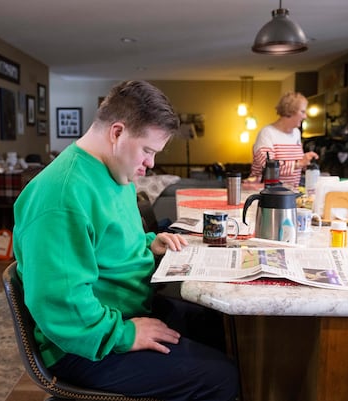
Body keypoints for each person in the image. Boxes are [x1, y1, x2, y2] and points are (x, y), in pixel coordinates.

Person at [12, 80, 239, 401]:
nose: (151, 163)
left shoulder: (115, 172)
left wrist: (149, 244)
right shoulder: (62, 195)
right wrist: (125, 334)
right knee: (221, 378)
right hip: (85, 342)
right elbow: (60, 304)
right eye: (147, 150)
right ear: (117, 132)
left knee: (218, 325)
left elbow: (109, 242)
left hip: (123, 311)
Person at [248, 91, 319, 188]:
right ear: (289, 111)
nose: (305, 116)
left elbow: (295, 164)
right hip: (266, 192)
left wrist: (306, 164)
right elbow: (269, 167)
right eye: (302, 112)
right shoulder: (267, 133)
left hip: (290, 192)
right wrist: (299, 163)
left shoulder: (296, 133)